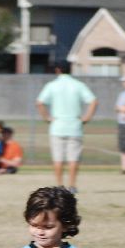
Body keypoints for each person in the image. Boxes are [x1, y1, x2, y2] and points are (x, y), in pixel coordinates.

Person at [36, 63, 98, 193]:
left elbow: (40, 102)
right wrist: (86, 117)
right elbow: (93, 101)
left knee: (58, 158)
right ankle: (72, 186)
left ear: (57, 70)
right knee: (73, 158)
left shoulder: (52, 85)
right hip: (74, 126)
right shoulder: (78, 85)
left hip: (57, 126)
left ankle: (59, 186)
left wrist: (47, 117)